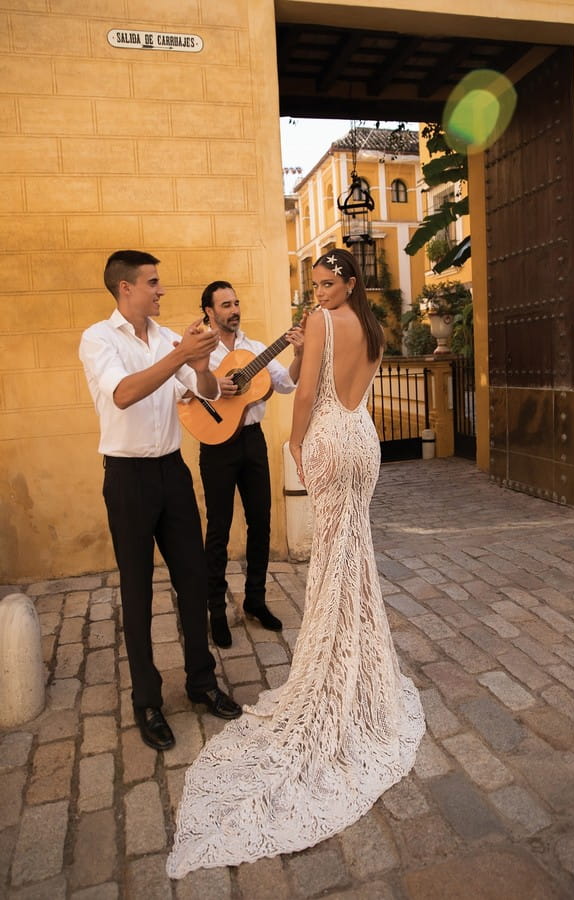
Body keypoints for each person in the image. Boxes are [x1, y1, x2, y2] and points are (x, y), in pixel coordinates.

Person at [166, 248, 424, 876]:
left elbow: (305, 392)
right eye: (313, 284)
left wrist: (294, 439)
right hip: (366, 439)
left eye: (327, 283)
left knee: (337, 558)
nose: (319, 292)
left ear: (349, 282)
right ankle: (357, 660)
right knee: (352, 555)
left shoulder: (328, 323)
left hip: (333, 438)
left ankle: (337, 672)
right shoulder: (377, 325)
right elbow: (351, 386)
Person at [79, 251, 242, 753]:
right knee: (137, 590)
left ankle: (201, 681)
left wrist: (198, 364)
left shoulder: (171, 336)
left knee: (192, 580)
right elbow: (123, 394)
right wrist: (177, 358)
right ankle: (146, 699)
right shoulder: (98, 339)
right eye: (153, 283)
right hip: (127, 478)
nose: (160, 291)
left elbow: (209, 390)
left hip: (173, 472)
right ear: (126, 288)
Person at [198, 280, 305, 648]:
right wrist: (213, 384)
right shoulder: (202, 349)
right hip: (216, 444)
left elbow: (287, 384)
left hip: (252, 441)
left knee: (261, 521)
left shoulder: (256, 348)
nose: (234, 309)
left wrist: (300, 353)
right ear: (210, 311)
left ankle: (255, 600)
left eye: (236, 302)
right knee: (219, 527)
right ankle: (214, 608)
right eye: (225, 304)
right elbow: (181, 389)